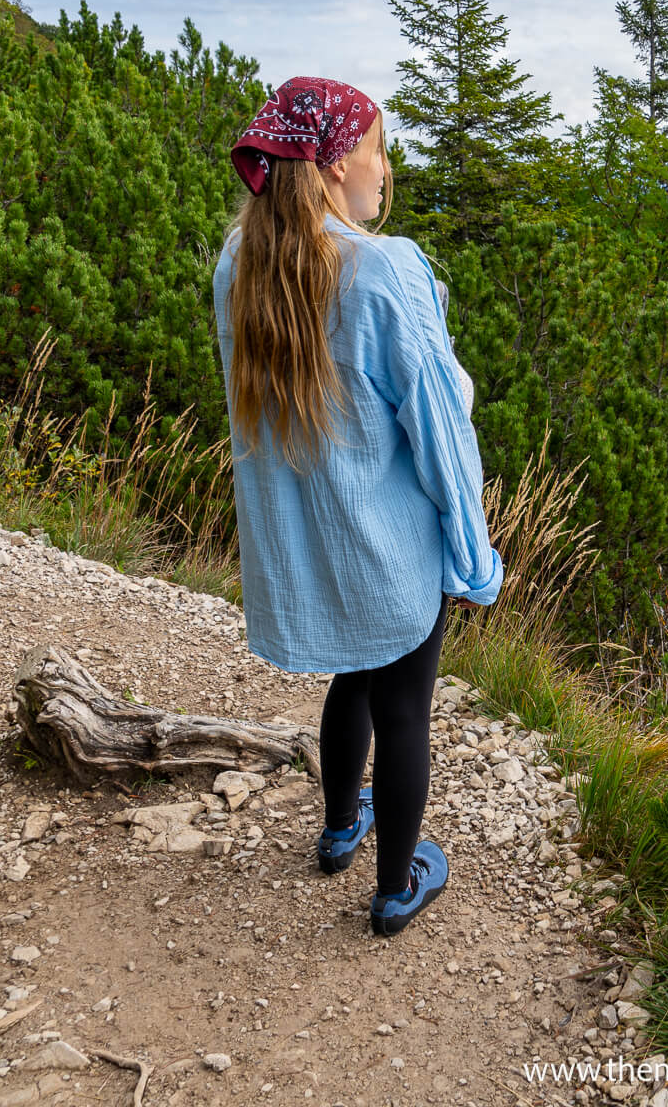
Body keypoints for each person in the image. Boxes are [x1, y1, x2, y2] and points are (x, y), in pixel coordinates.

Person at [211, 76, 503, 937]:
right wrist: (473, 554)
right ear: (339, 166)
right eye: (379, 150)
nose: (386, 171)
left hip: (313, 544)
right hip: (392, 542)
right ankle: (395, 884)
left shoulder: (242, 263)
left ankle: (341, 828)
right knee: (406, 704)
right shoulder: (384, 268)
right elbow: (442, 428)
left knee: (352, 679)